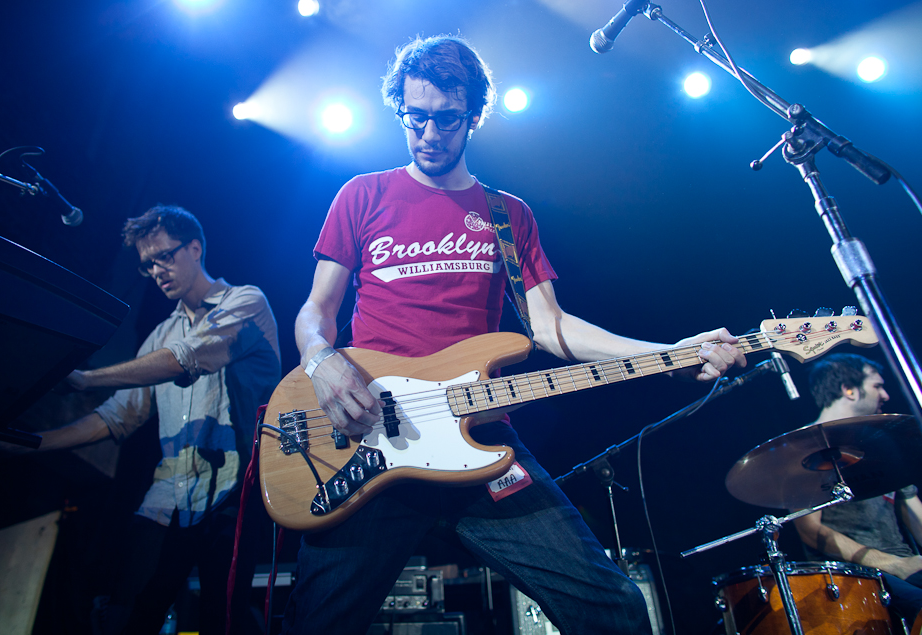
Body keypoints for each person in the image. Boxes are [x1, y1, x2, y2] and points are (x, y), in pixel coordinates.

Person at [282, 34, 746, 635]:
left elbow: (551, 326)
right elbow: (315, 311)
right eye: (415, 117)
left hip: (481, 437)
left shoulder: (507, 214)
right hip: (369, 442)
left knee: (615, 610)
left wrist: (668, 353)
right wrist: (321, 360)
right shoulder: (362, 195)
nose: (429, 133)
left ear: (474, 116)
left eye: (447, 119)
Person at [13, 205, 281, 634]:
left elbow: (184, 358)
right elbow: (116, 417)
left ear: (195, 248)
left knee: (221, 621)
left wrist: (86, 379)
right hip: (167, 495)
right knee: (127, 613)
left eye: (164, 257)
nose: (156, 271)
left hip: (235, 492)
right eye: (147, 265)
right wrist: (29, 443)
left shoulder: (246, 301)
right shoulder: (160, 335)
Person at [793, 353, 922, 626]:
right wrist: (894, 564)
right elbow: (809, 531)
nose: (886, 395)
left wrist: (905, 563)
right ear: (848, 390)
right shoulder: (802, 449)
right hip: (852, 574)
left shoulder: (883, 445)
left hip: (905, 563)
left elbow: (915, 513)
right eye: (877, 386)